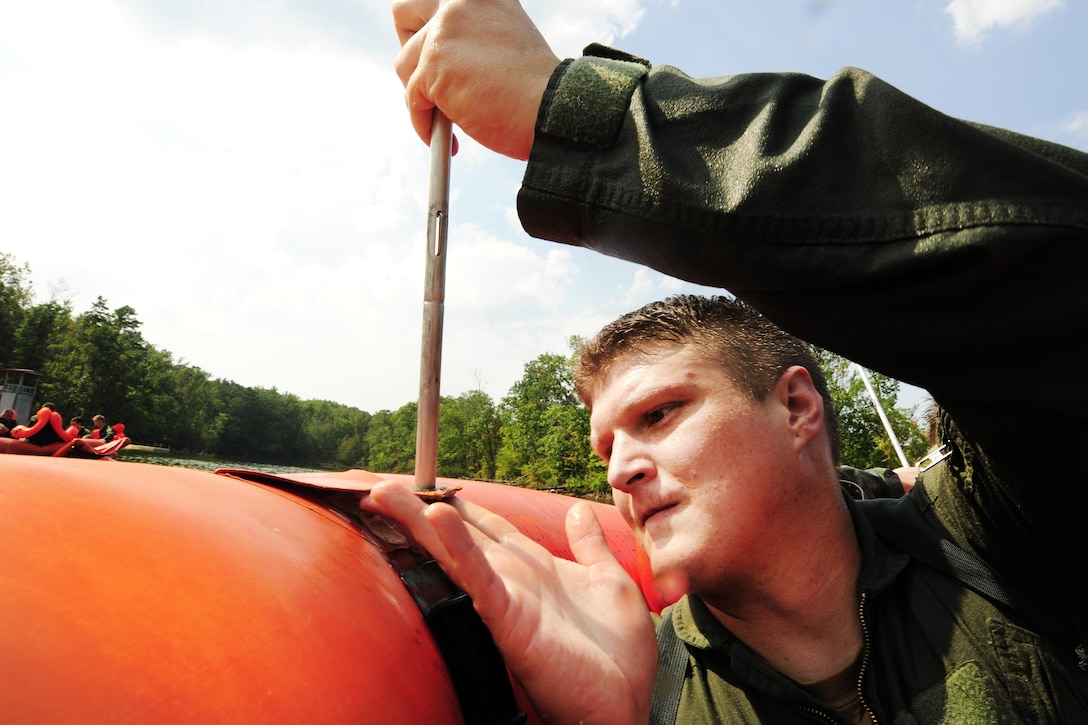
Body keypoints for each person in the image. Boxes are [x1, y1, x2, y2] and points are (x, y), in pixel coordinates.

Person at [363, 1, 1088, 722]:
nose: (620, 470)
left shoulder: (998, 543)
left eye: (659, 413)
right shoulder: (657, 691)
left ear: (798, 407)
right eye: (607, 448)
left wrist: (587, 122)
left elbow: (1051, 271)